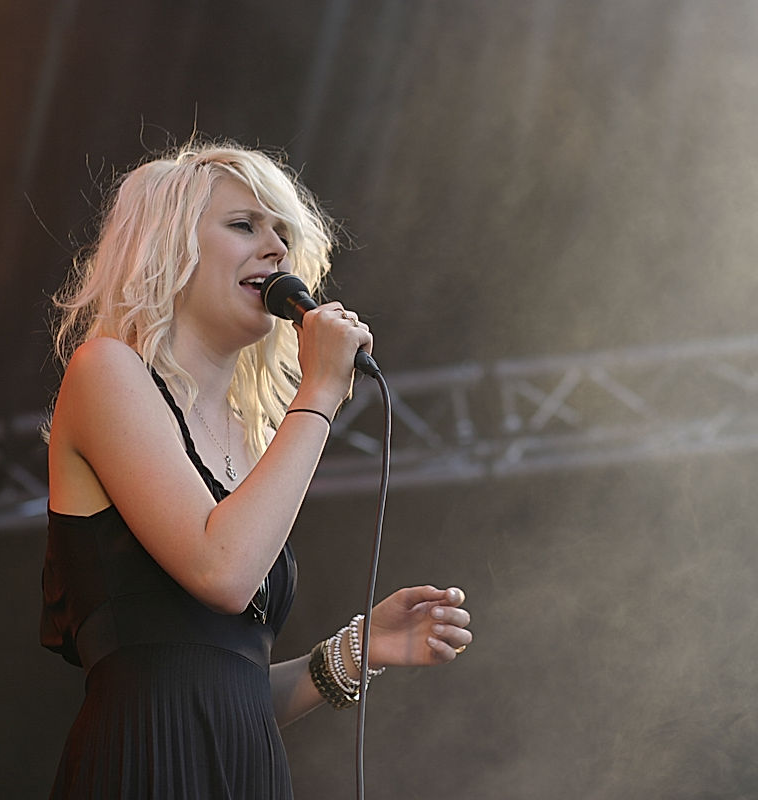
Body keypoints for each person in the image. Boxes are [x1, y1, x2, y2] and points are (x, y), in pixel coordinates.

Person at [39, 140, 473, 798]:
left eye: (284, 233)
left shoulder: (252, 440)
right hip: (142, 770)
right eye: (244, 225)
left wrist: (356, 652)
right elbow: (223, 572)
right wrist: (320, 392)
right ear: (167, 246)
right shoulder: (105, 373)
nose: (276, 249)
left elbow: (224, 692)